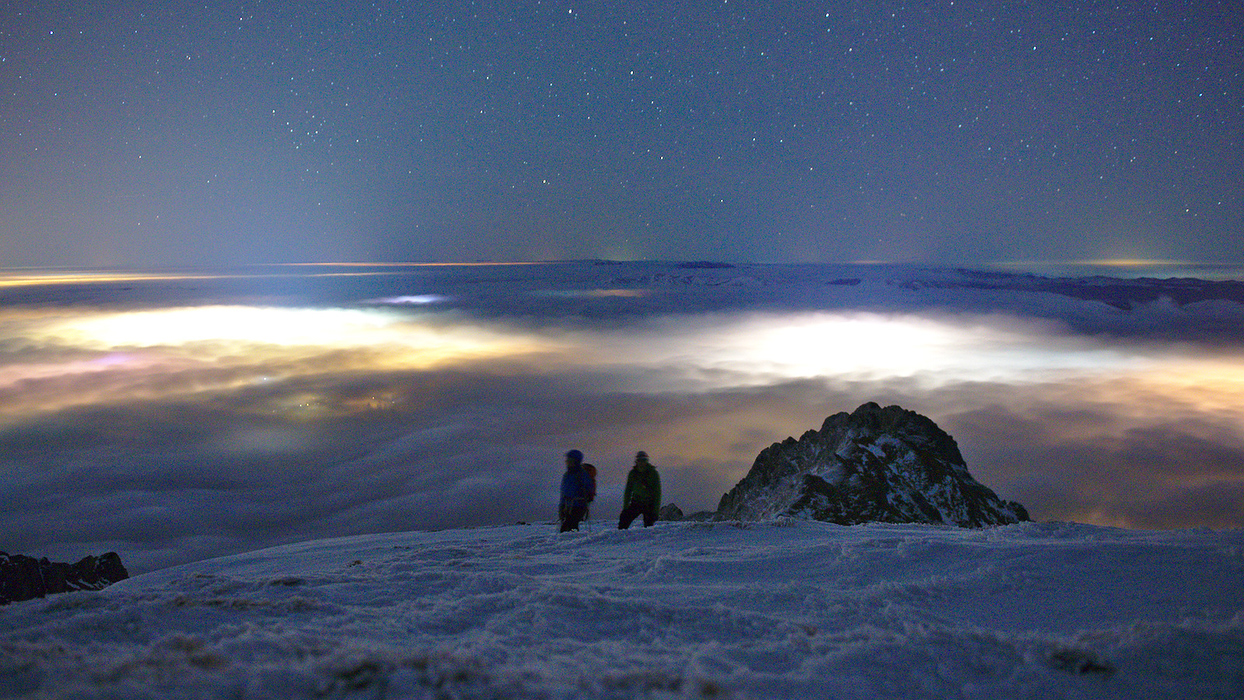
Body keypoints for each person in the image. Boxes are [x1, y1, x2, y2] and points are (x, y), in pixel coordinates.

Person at [618, 451, 661, 529]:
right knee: (623, 522)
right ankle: (620, 538)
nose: (642, 462)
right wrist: (625, 508)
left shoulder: (653, 473)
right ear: (637, 461)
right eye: (640, 460)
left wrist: (655, 511)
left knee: (649, 527)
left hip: (649, 503)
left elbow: (657, 493)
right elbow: (628, 491)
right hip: (636, 502)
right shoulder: (633, 473)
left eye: (644, 460)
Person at [559, 449, 593, 532]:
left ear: (576, 461)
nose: (567, 462)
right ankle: (572, 542)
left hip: (578, 506)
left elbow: (588, 489)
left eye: (569, 460)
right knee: (569, 527)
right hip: (568, 506)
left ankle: (571, 542)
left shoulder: (581, 474)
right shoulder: (568, 474)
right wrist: (561, 506)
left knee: (569, 527)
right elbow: (564, 491)